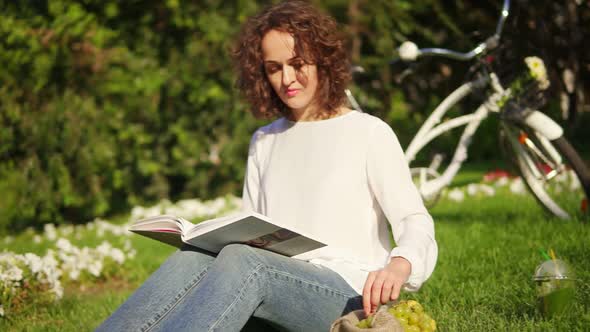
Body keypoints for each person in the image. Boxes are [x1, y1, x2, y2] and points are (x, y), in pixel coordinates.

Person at [97, 1, 437, 331]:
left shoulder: (368, 132)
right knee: (193, 258)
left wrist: (400, 264)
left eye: (297, 63)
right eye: (274, 68)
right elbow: (252, 231)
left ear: (322, 60)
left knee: (245, 263)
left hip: (349, 294)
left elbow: (413, 218)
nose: (287, 78)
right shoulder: (264, 140)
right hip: (272, 283)